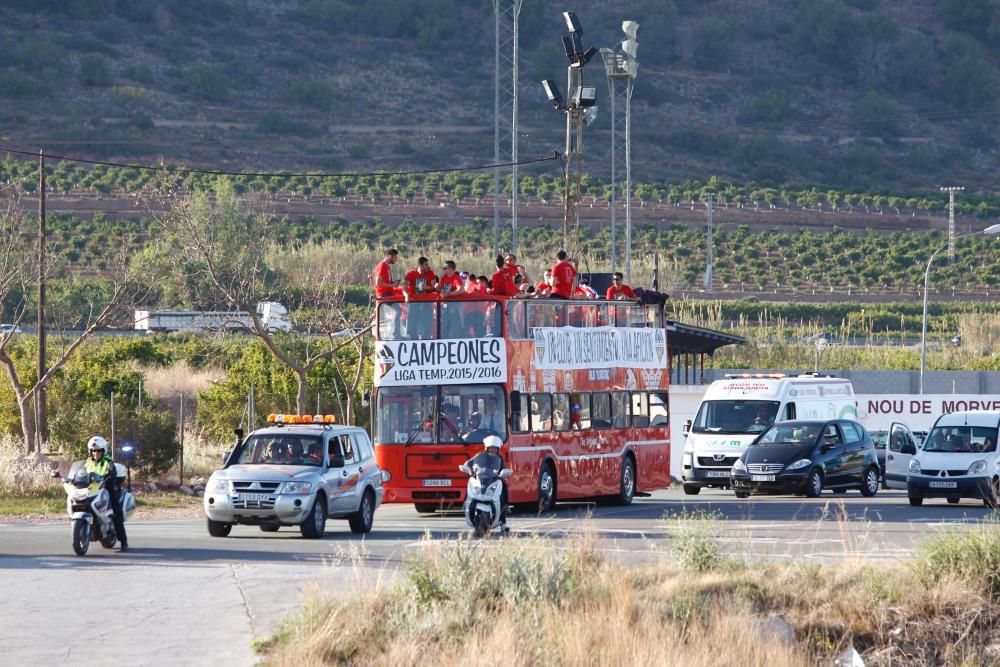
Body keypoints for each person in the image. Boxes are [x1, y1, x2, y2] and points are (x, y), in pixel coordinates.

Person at [84, 436, 128, 552]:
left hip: (107, 487)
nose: (96, 453)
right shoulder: (88, 463)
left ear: (103, 451)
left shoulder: (108, 461)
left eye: (98, 450)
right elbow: (81, 472)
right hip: (92, 489)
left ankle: (123, 541)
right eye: (93, 450)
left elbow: (111, 470)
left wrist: (109, 475)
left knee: (116, 512)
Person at [462, 435, 509, 532]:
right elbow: (468, 463)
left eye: (495, 449)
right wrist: (468, 469)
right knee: (470, 485)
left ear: (498, 449)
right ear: (486, 448)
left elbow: (504, 469)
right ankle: (466, 503)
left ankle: (503, 522)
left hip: (494, 480)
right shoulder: (480, 455)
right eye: (491, 448)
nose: (493, 450)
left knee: (504, 492)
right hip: (481, 479)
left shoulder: (500, 459)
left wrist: (504, 473)